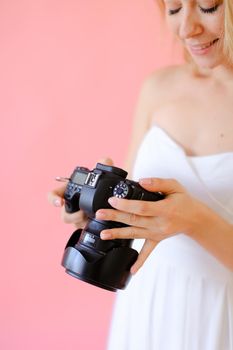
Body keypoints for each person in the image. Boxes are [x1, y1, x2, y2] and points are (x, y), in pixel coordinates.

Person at [48, 0, 233, 349]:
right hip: (147, 301)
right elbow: (130, 211)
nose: (186, 28)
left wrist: (195, 220)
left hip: (221, 315)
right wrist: (88, 208)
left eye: (208, 7)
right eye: (174, 8)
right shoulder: (157, 88)